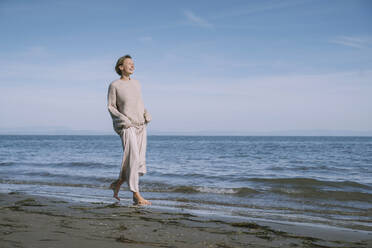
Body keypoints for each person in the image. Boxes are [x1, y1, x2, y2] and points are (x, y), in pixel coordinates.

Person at [107, 54, 152, 205]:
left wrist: (146, 113)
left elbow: (139, 103)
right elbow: (111, 107)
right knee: (132, 159)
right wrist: (123, 120)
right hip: (126, 126)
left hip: (141, 125)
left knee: (137, 161)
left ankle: (118, 183)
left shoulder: (137, 84)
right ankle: (136, 195)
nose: (132, 66)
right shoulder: (115, 85)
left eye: (133, 64)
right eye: (129, 64)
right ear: (121, 67)